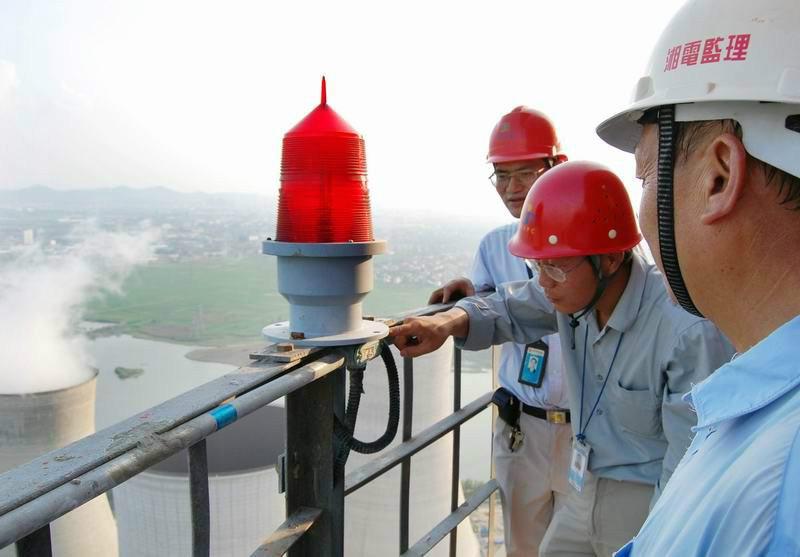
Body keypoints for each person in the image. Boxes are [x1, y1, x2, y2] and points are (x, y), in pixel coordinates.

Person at [390, 160, 734, 557]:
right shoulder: (572, 295)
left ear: (609, 259)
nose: (545, 282)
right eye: (539, 266)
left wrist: (662, 540)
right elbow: (511, 306)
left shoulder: (683, 330)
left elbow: (688, 461)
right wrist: (450, 321)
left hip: (646, 497)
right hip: (583, 485)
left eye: (555, 266)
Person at [595, 0, 800, 555]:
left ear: (719, 176)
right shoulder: (760, 410)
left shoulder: (776, 481)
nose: (641, 219)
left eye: (644, 176)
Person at [428, 107, 571, 556]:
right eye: (501, 176)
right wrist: (468, 297)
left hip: (585, 429)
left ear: (556, 169)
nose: (511, 189)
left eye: (524, 174)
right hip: (521, 429)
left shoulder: (589, 245)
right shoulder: (494, 246)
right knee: (524, 547)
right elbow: (496, 306)